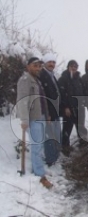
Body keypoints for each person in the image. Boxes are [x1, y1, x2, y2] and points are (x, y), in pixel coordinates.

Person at [16, 57, 53, 189]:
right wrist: (24, 120)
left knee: (39, 145)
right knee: (37, 146)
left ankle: (37, 169)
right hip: (32, 118)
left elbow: (42, 100)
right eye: (35, 66)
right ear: (28, 66)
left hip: (40, 116)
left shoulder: (37, 80)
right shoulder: (25, 81)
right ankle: (39, 175)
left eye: (39, 66)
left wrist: (47, 114)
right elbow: (22, 100)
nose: (37, 68)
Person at [58, 60, 87, 156]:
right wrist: (65, 107)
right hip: (69, 109)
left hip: (79, 108)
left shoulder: (79, 79)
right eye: (72, 66)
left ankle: (83, 146)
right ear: (68, 67)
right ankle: (65, 148)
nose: (73, 68)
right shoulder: (63, 79)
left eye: (75, 66)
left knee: (81, 128)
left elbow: (83, 92)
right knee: (67, 129)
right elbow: (61, 94)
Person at [38, 53, 62, 166]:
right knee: (49, 136)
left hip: (55, 112)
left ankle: (55, 156)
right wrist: (47, 113)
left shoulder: (52, 75)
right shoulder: (42, 76)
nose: (52, 64)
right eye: (49, 62)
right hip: (48, 113)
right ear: (45, 63)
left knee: (56, 135)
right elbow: (43, 97)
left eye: (53, 62)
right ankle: (50, 159)